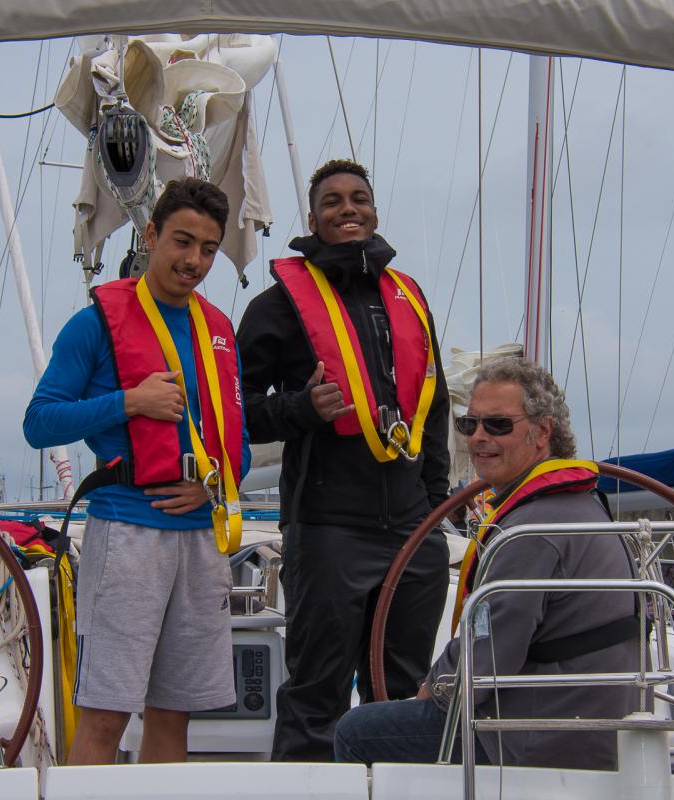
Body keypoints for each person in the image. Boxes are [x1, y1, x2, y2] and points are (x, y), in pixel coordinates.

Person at [23, 178, 251, 765]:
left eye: (208, 248)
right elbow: (39, 423)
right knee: (105, 714)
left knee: (175, 713)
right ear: (151, 235)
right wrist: (130, 402)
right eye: (182, 241)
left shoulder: (219, 330)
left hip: (201, 538)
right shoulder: (94, 324)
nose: (194, 260)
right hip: (127, 534)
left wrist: (209, 488)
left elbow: (239, 444)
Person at [237, 158, 452, 761]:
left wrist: (436, 507)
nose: (347, 209)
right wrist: (300, 408)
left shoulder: (408, 297)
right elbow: (236, 411)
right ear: (312, 219)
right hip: (328, 529)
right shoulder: (277, 307)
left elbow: (433, 405)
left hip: (413, 529)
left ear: (374, 211)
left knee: (405, 695)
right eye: (332, 201)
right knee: (316, 695)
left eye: (359, 198)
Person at [333, 356, 640, 769]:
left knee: (357, 732)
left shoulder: (532, 530)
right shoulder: (579, 507)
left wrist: (431, 690)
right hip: (583, 727)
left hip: (533, 736)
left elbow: (489, 654)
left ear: (542, 432)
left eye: (497, 425)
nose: (478, 437)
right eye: (469, 424)